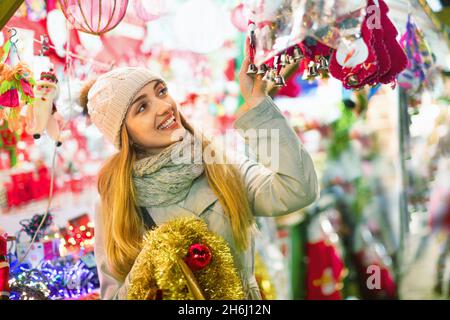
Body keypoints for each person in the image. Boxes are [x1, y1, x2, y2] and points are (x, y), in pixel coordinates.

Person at [80, 51, 319, 300]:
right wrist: (153, 259)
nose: (164, 106)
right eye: (142, 107)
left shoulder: (217, 162)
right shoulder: (117, 200)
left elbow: (298, 189)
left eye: (161, 91)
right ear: (124, 134)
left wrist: (258, 103)